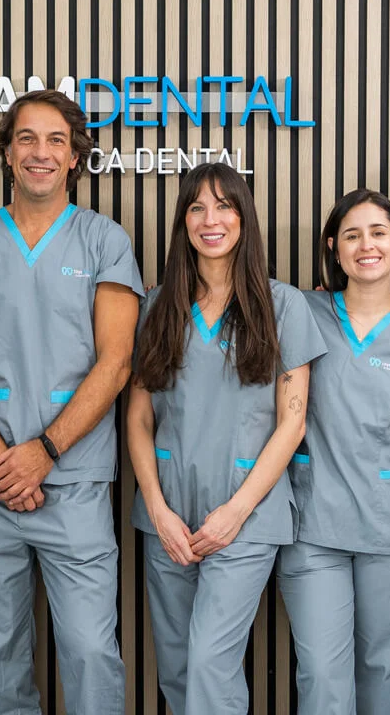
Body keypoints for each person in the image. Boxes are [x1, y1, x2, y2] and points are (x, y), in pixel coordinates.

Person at [0, 89, 142, 714]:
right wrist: (2, 461)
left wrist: (43, 452)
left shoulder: (104, 241)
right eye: (26, 138)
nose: (40, 152)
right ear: (7, 153)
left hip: (73, 480)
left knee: (91, 650)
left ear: (74, 157)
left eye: (55, 141)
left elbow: (116, 362)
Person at [127, 162, 325, 715]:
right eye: (196, 208)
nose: (210, 220)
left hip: (247, 514)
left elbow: (292, 423)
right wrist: (158, 508)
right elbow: (138, 418)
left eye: (224, 206)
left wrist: (235, 513)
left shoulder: (282, 305)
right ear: (182, 222)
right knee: (177, 665)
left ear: (244, 218)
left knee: (210, 662)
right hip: (169, 512)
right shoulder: (158, 306)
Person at [277, 189, 390, 715]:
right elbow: (230, 303)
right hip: (313, 528)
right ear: (334, 249)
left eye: (378, 233)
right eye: (352, 236)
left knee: (383, 672)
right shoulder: (301, 310)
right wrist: (158, 298)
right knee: (321, 675)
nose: (366, 246)